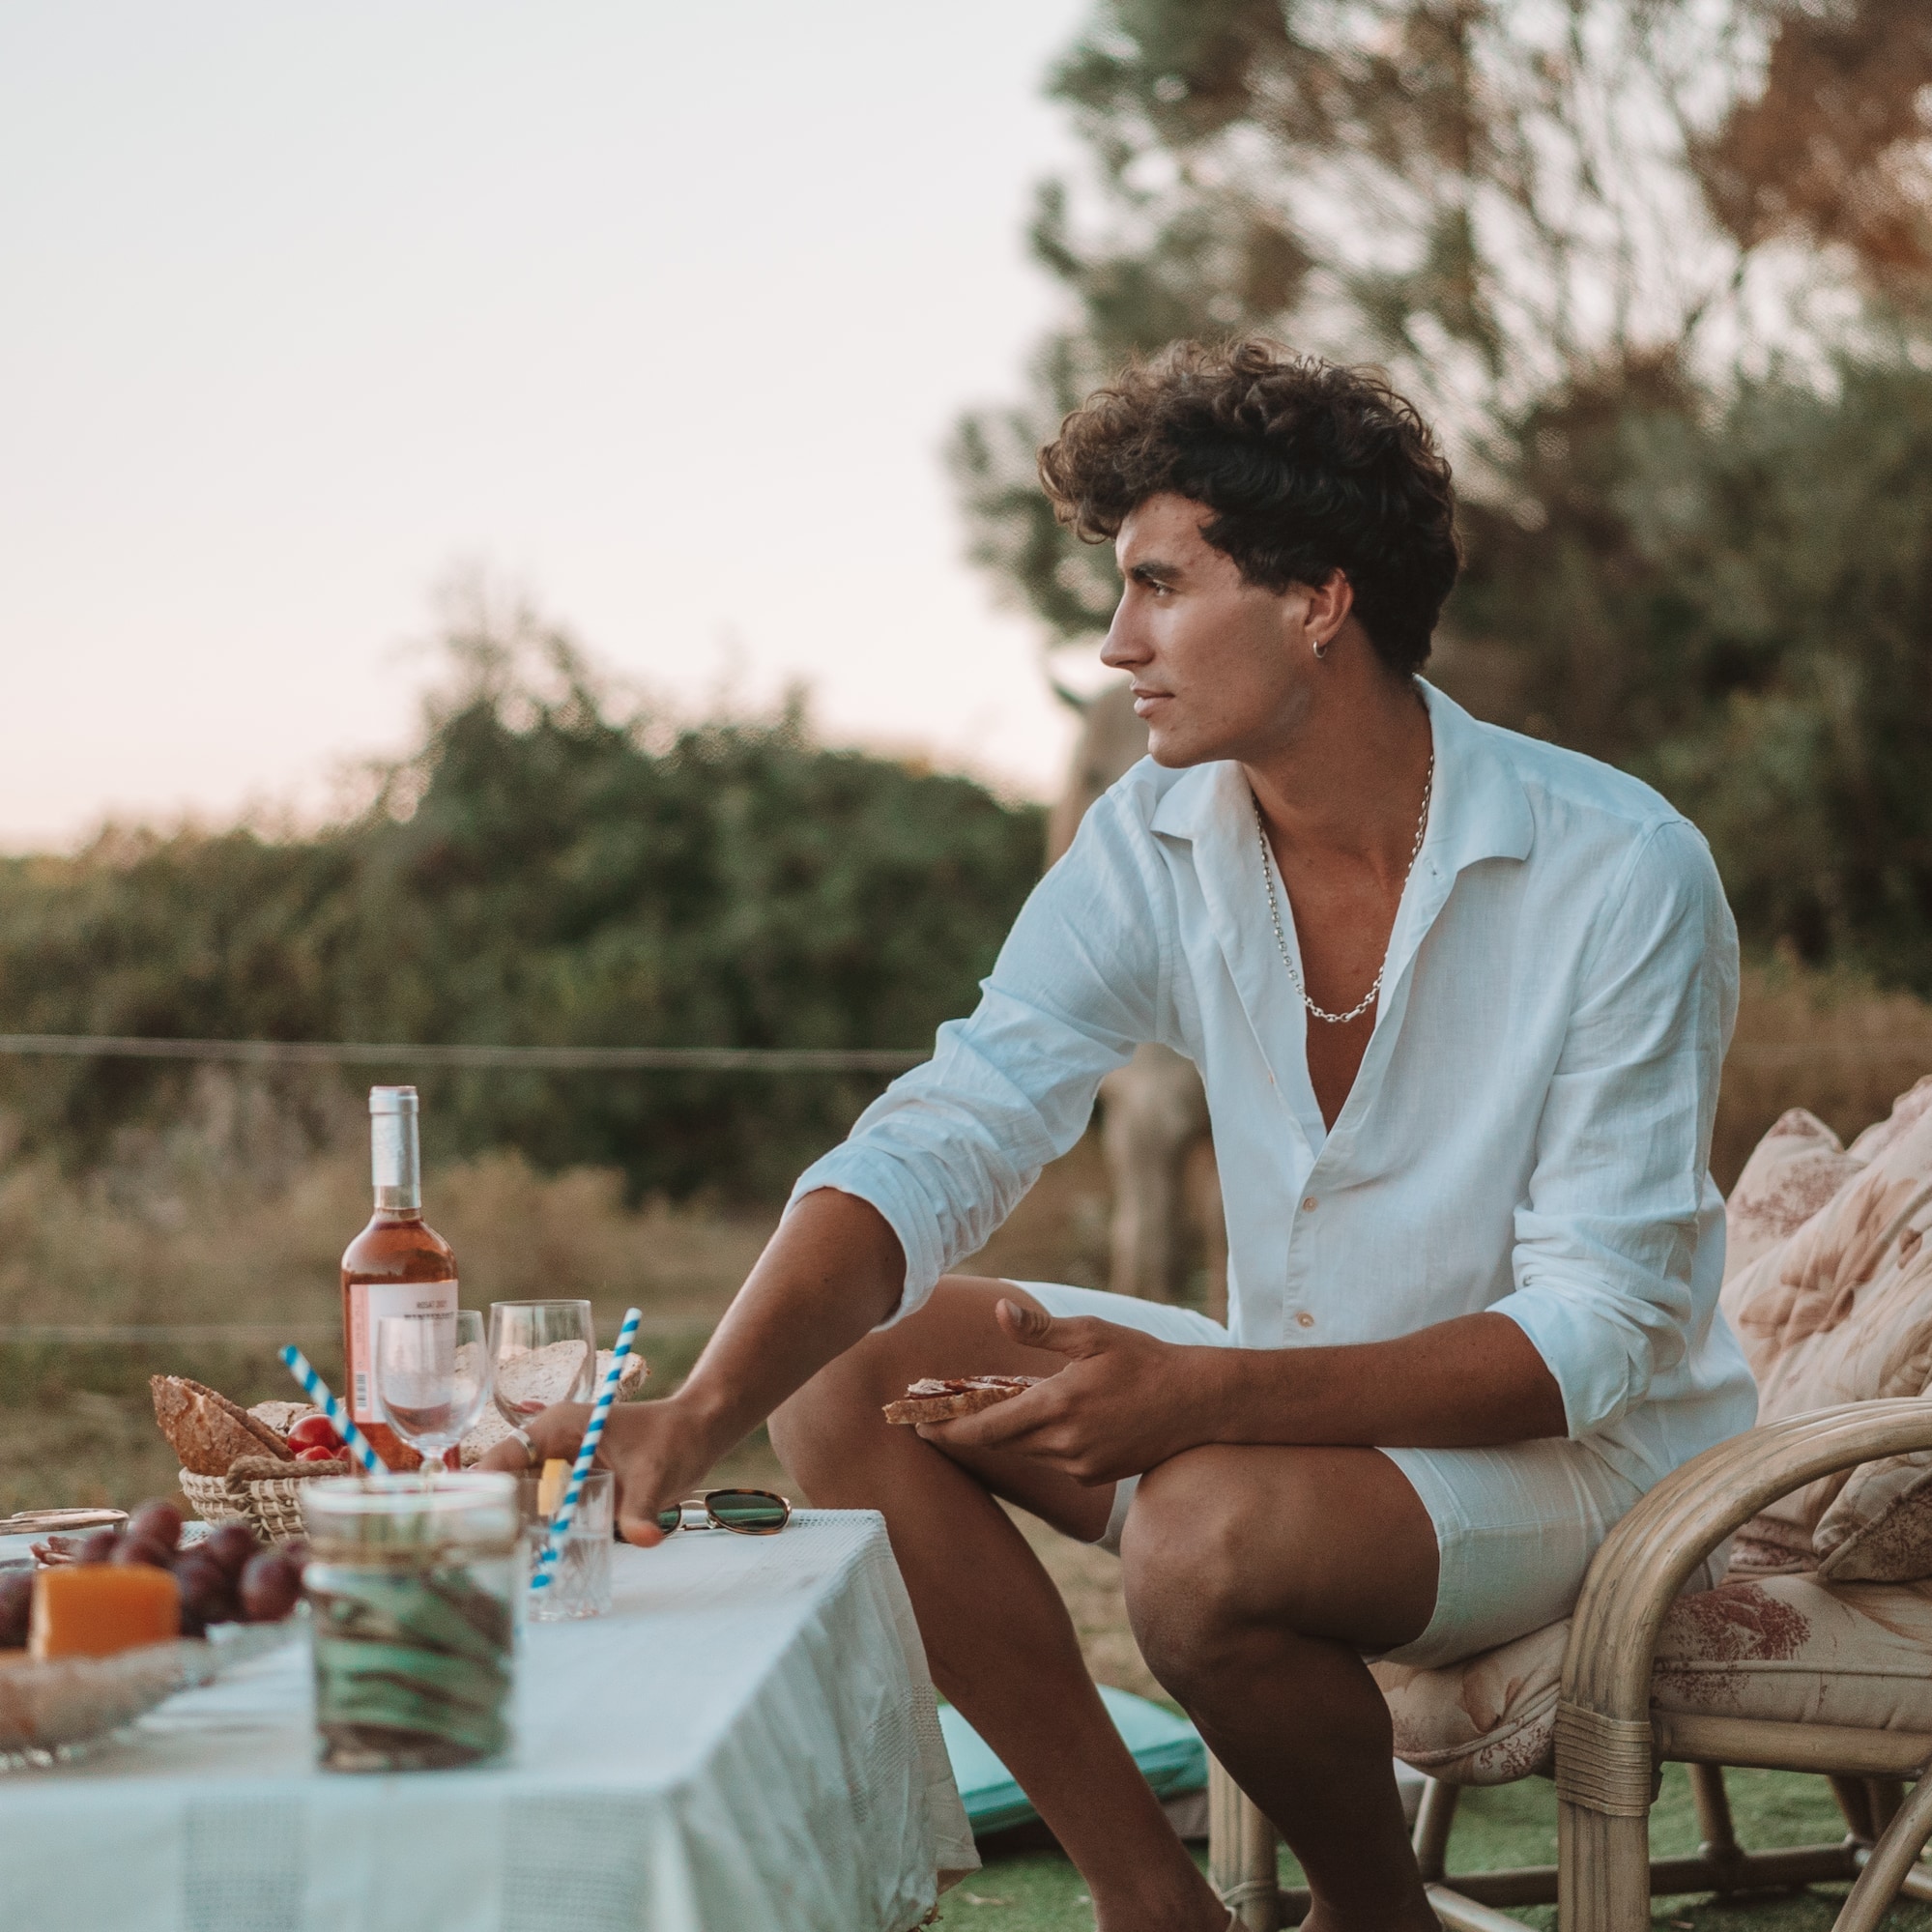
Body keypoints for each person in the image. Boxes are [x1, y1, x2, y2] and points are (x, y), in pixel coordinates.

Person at [486, 338, 1756, 1932]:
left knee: (1202, 1543)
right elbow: (957, 1116)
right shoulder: (1154, 838)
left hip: (1586, 1464)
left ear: (1317, 599)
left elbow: (1599, 1333)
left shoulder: (1620, 869)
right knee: (846, 1370)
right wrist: (697, 1409)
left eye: (1160, 586)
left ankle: (1380, 1920)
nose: (1113, 645)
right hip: (1301, 1402)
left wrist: (1203, 1396)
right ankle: (1155, 1904)